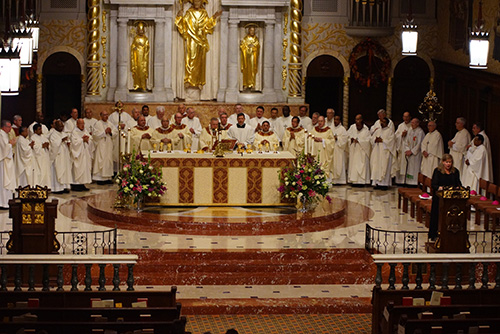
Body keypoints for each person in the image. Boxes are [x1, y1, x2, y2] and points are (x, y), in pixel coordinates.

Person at [175, 0, 222, 88]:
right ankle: (189, 80)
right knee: (191, 60)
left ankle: (200, 81)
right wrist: (179, 17)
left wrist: (214, 17)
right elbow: (183, 25)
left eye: (198, 1)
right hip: (192, 39)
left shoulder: (204, 13)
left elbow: (207, 25)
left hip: (201, 40)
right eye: (195, 1)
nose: (197, 3)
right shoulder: (189, 13)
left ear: (201, 3)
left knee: (201, 61)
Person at [429, 154, 462, 240]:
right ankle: (434, 234)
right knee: (437, 216)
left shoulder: (455, 172)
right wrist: (439, 188)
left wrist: (458, 188)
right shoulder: (437, 171)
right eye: (446, 162)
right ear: (443, 162)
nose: (448, 164)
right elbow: (434, 185)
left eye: (450, 162)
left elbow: (458, 183)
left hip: (451, 200)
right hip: (439, 199)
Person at [370, 117, 397, 190]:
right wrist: (375, 140)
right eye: (381, 122)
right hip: (377, 152)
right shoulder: (377, 130)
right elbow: (371, 139)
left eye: (384, 122)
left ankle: (384, 184)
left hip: (385, 153)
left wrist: (382, 140)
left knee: (384, 167)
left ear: (387, 123)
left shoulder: (390, 131)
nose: (382, 123)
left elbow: (391, 141)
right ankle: (377, 183)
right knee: (376, 167)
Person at [93, 111, 117, 184]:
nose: (106, 116)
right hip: (101, 145)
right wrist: (104, 132)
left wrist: (110, 132)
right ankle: (100, 178)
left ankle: (108, 177)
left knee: (108, 160)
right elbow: (95, 135)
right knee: (101, 159)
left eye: (107, 115)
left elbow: (115, 132)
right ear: (101, 116)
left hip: (108, 145)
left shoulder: (110, 124)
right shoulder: (97, 124)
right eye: (104, 115)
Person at [49, 120, 73, 194]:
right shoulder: (53, 135)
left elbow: (67, 142)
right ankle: (57, 188)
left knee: (65, 171)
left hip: (64, 156)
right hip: (58, 156)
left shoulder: (63, 133)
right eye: (60, 126)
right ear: (55, 126)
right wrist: (61, 140)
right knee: (58, 171)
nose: (61, 127)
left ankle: (65, 186)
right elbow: (53, 145)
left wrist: (68, 144)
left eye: (62, 126)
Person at [347, 114, 371, 186]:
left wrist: (359, 141)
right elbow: (347, 137)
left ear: (361, 120)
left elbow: (368, 141)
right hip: (354, 150)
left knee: (362, 166)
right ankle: (353, 181)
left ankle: (361, 182)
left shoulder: (366, 129)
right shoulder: (352, 127)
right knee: (353, 166)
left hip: (362, 152)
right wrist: (350, 140)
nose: (357, 121)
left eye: (358, 119)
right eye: (356, 119)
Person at [70, 119, 93, 191]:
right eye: (81, 124)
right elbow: (74, 143)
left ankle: (82, 184)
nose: (82, 125)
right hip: (78, 154)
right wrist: (82, 140)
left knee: (85, 168)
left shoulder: (85, 131)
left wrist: (88, 140)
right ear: (77, 124)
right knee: (78, 168)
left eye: (83, 123)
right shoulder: (74, 132)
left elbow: (91, 140)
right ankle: (75, 185)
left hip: (85, 153)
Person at [401, 118, 425, 185]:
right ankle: (409, 182)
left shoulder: (420, 132)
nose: (411, 124)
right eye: (411, 122)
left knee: (415, 168)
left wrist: (412, 151)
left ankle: (415, 183)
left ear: (417, 123)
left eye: (413, 123)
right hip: (409, 154)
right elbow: (406, 141)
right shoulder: (410, 130)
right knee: (410, 168)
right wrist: (407, 150)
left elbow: (420, 144)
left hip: (416, 155)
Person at [0, 120, 16, 208]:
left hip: (7, 162)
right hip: (3, 162)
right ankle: (2, 202)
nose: (10, 128)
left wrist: (10, 144)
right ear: (4, 127)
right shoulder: (1, 134)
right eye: (9, 127)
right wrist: (10, 144)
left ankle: (6, 201)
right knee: (3, 181)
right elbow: (3, 149)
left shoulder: (5, 135)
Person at [130, 21, 150, 91]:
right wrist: (134, 48)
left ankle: (143, 86)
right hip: (137, 56)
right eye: (140, 30)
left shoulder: (145, 38)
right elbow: (133, 46)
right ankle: (137, 85)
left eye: (142, 30)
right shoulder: (135, 38)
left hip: (143, 57)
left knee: (143, 71)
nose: (141, 31)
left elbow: (147, 47)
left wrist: (144, 47)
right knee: (136, 71)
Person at [31, 123, 52, 188]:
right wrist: (42, 146)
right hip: (38, 159)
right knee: (40, 173)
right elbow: (34, 148)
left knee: (46, 172)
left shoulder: (43, 137)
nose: (41, 130)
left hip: (45, 157)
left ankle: (46, 186)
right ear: (35, 131)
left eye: (41, 129)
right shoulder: (33, 137)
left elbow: (48, 145)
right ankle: (40, 186)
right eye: (39, 129)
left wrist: (48, 145)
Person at [240, 26, 260, 90]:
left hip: (253, 56)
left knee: (252, 70)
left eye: (253, 30)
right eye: (251, 30)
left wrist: (253, 46)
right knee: (246, 69)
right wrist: (244, 45)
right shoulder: (246, 38)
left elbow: (257, 45)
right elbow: (243, 45)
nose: (252, 32)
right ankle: (245, 84)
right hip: (246, 56)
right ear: (249, 31)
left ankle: (253, 84)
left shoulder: (255, 38)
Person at [394, 112, 412, 184]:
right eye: (404, 117)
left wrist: (407, 135)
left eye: (407, 117)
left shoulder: (412, 126)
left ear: (410, 117)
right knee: (400, 165)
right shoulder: (400, 126)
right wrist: (401, 135)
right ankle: (399, 181)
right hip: (401, 149)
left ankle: (407, 181)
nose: (406, 118)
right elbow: (396, 137)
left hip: (408, 149)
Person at [330, 115, 348, 185]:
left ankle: (340, 180)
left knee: (339, 164)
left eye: (337, 119)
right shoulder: (330, 128)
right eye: (334, 119)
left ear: (340, 121)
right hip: (332, 150)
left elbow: (344, 140)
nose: (335, 121)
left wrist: (337, 138)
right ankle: (332, 180)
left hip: (339, 150)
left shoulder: (342, 129)